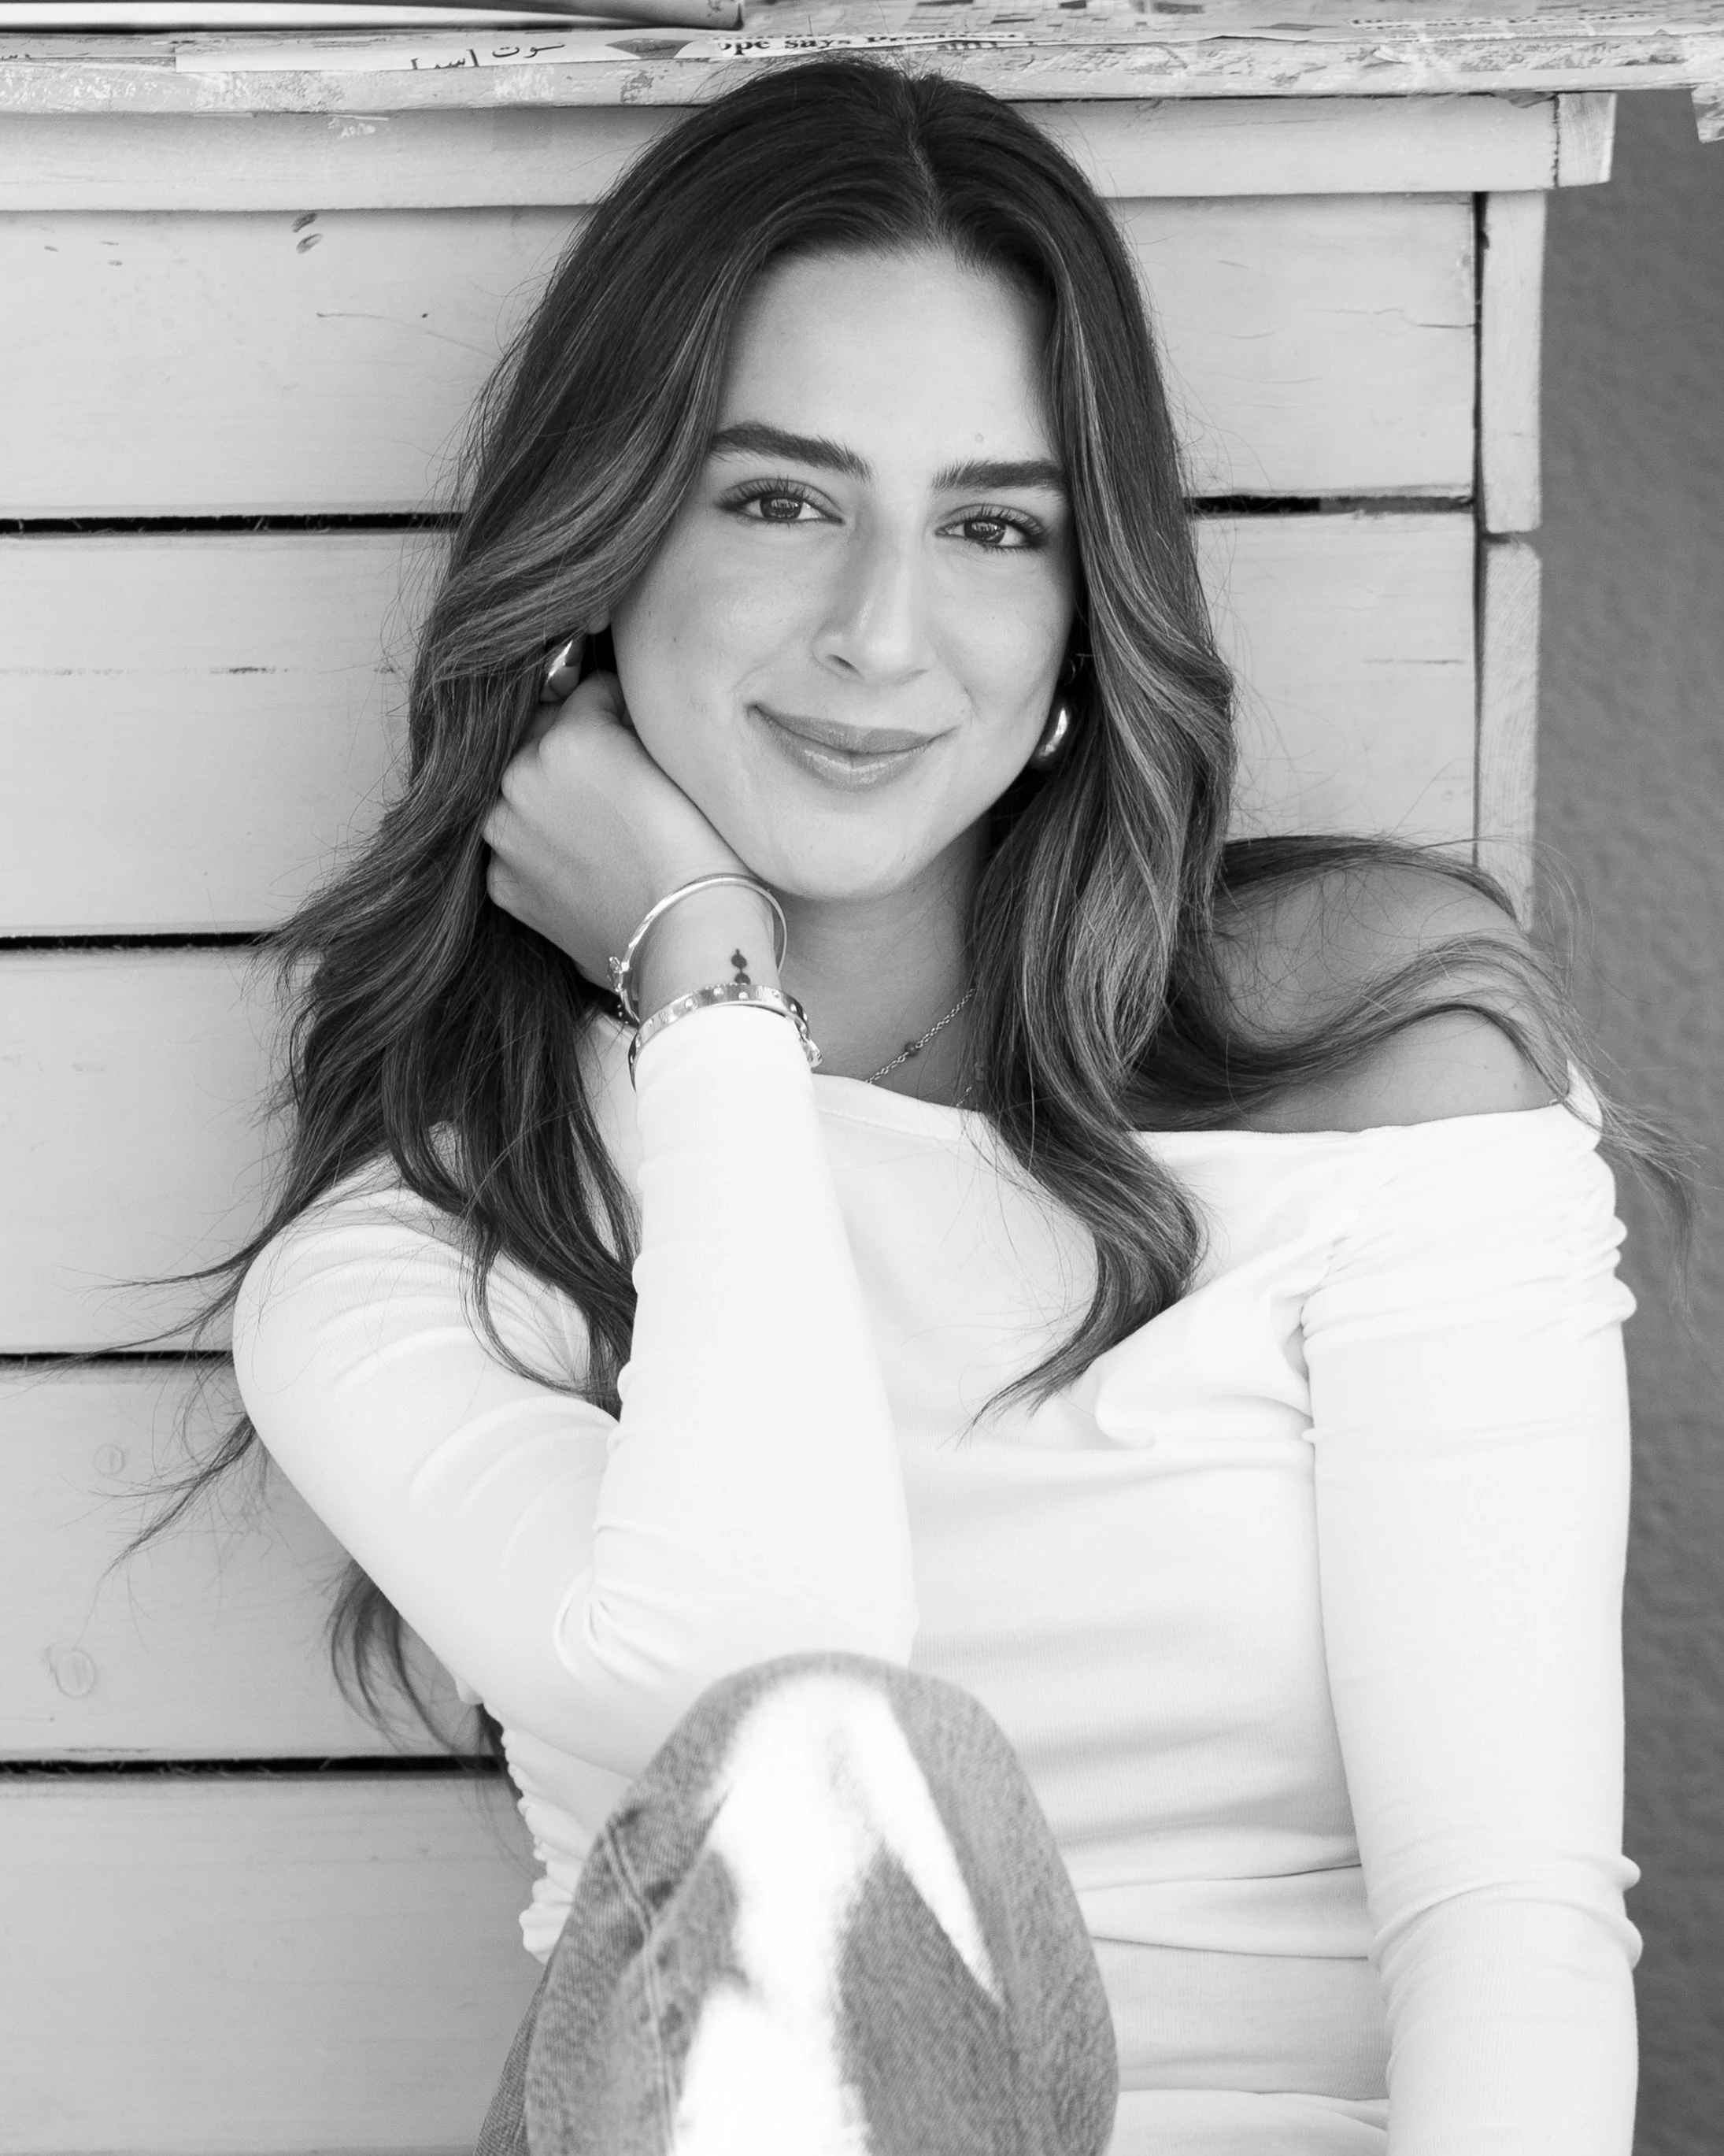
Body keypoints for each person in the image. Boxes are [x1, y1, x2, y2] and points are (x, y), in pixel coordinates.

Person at [153, 54, 1688, 2156]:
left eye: (991, 526)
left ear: (1080, 615)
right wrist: (707, 989)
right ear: (599, 540)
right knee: (825, 1770)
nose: (881, 632)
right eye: (776, 499)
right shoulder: (415, 1259)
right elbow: (780, 1678)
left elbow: (1504, 1920)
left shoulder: (1381, 1061)